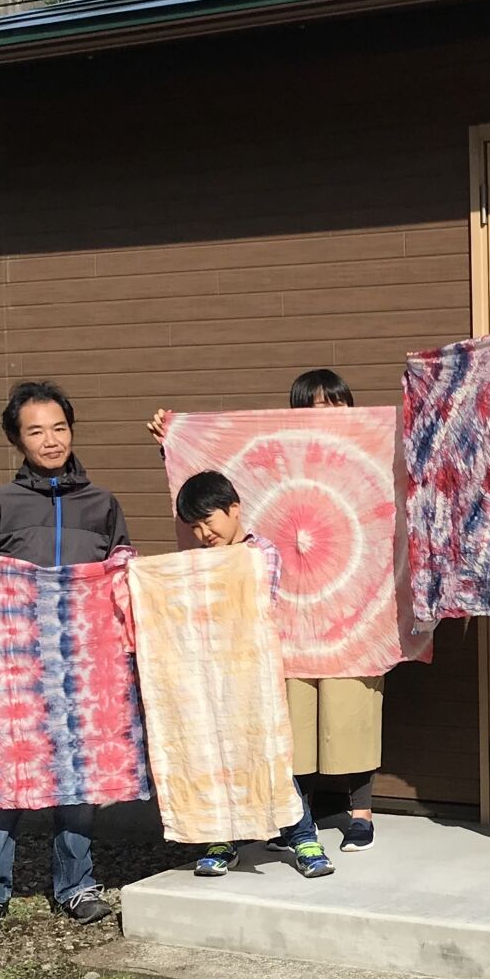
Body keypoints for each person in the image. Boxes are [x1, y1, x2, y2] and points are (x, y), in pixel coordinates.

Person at [149, 367, 385, 859]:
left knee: (351, 708)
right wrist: (175, 442)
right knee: (291, 718)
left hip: (348, 601)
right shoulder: (278, 462)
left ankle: (359, 812)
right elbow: (217, 491)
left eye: (335, 404)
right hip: (283, 615)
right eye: (313, 406)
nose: (325, 415)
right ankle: (299, 815)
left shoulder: (368, 453)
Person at [0, 380, 130, 936]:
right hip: (12, 665)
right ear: (17, 439)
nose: (51, 439)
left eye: (59, 427)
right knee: (0, 769)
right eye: (36, 430)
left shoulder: (101, 504)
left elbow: (122, 576)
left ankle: (76, 883)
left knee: (76, 774)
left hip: (83, 665)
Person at [171, 469, 333, 880]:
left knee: (271, 756)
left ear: (234, 509)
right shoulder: (197, 562)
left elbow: (255, 598)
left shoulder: (261, 552)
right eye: (195, 526)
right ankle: (221, 840)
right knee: (216, 755)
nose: (203, 532)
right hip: (209, 677)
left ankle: (304, 837)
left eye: (209, 520)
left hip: (255, 673)